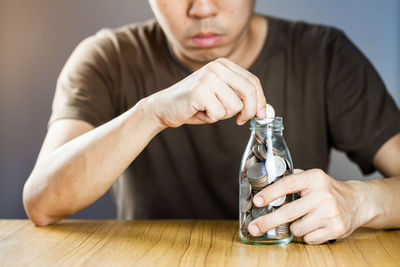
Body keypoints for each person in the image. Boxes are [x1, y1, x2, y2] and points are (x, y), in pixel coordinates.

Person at [23, 0, 400, 245]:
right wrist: (150, 112)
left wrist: (360, 201)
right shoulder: (108, 57)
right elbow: (41, 201)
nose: (202, 8)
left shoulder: (325, 55)